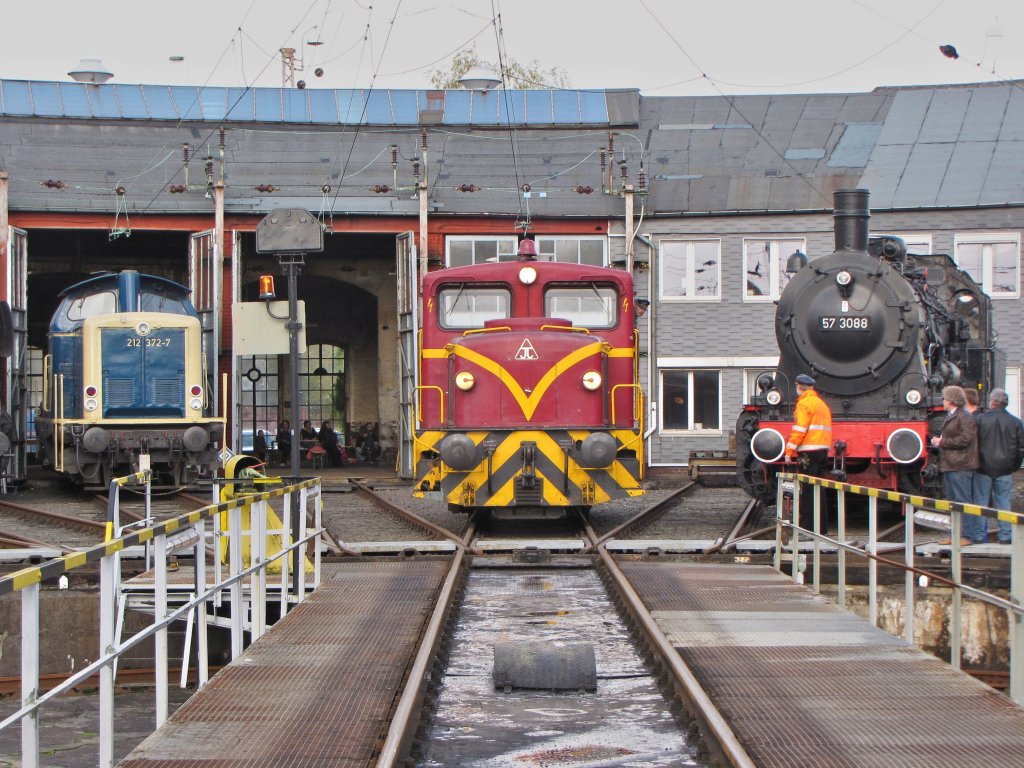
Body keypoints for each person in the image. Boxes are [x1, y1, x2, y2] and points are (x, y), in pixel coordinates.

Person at [930, 385, 980, 544]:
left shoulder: (964, 417)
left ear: (951, 400)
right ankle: (955, 535)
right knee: (953, 502)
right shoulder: (954, 415)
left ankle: (967, 536)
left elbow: (966, 439)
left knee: (962, 501)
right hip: (952, 464)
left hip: (961, 465)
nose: (943, 401)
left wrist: (942, 442)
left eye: (944, 398)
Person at [974, 388, 1024, 544]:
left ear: (992, 402)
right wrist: (1014, 466)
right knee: (1003, 502)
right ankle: (1005, 535)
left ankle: (979, 535)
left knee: (981, 503)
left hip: (983, 468)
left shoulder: (980, 420)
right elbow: (1020, 448)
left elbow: (974, 444)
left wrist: (977, 463)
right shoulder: (1016, 422)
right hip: (1005, 469)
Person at [784, 373, 833, 533]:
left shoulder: (804, 404)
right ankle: (821, 528)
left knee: (807, 491)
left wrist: (789, 451)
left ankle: (807, 529)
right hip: (822, 451)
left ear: (799, 387)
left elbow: (799, 430)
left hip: (807, 453)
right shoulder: (821, 404)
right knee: (819, 490)